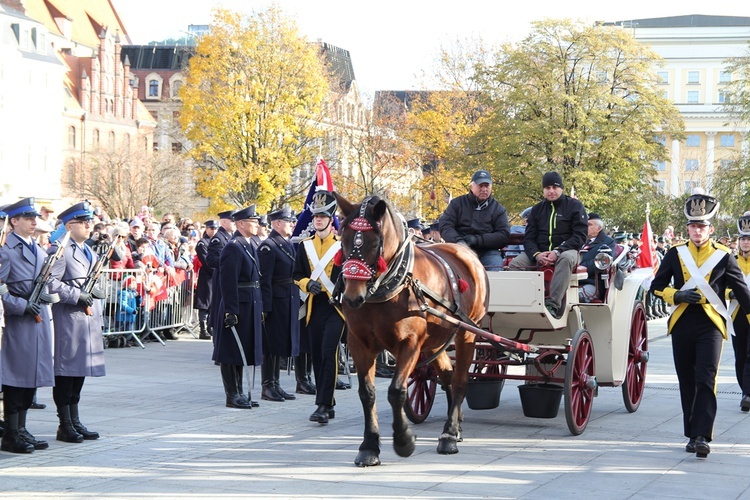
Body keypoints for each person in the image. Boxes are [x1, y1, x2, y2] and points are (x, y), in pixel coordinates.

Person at [651, 191, 750, 458]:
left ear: (711, 228)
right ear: (688, 228)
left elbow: (743, 293)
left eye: (702, 226)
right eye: (693, 226)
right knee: (687, 380)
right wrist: (677, 295)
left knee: (706, 378)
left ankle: (702, 436)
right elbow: (656, 287)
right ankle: (691, 434)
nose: (698, 231)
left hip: (711, 324)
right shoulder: (675, 254)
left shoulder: (724, 255)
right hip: (682, 322)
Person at [47, 201, 106, 444]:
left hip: (87, 319)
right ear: (70, 225)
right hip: (69, 318)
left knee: (79, 372)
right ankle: (65, 423)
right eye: (84, 222)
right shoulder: (60, 250)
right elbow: (50, 282)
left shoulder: (88, 250)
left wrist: (97, 290)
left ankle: (75, 418)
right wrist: (75, 295)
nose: (89, 225)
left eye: (89, 221)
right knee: (65, 373)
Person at [0, 198, 55, 454]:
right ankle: (11, 433)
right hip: (20, 322)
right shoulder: (5, 250)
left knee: (30, 378)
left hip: (39, 321)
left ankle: (22, 428)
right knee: (16, 378)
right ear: (14, 221)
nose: (34, 222)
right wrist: (21, 306)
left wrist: (47, 296)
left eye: (35, 218)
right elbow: (2, 291)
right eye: (28, 218)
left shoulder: (38, 248)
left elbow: (47, 283)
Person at [293, 190, 345, 424]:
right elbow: (296, 274)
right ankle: (329, 402)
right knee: (316, 355)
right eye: (315, 216)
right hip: (314, 306)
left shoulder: (342, 246)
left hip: (336, 307)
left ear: (331, 217)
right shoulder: (305, 246)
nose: (318, 220)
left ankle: (323, 404)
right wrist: (307, 283)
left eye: (323, 216)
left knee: (328, 353)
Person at [509, 171, 587, 318]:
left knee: (565, 259)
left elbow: (580, 236)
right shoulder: (537, 209)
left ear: (561, 188)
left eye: (554, 187)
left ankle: (553, 304)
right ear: (543, 190)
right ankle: (521, 302)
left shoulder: (575, 206)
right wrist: (537, 254)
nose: (551, 191)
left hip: (568, 251)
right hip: (540, 252)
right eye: (547, 188)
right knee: (515, 264)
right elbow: (529, 238)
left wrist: (557, 251)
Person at [215, 206, 263, 409]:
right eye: (253, 221)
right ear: (241, 224)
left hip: (249, 301)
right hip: (237, 304)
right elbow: (228, 282)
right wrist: (231, 310)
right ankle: (232, 394)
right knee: (231, 351)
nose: (257, 224)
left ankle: (240, 392)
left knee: (242, 349)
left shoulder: (249, 243)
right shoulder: (233, 247)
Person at [258, 207, 301, 401]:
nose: (292, 224)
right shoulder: (269, 246)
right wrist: (265, 307)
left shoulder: (286, 244)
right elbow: (264, 279)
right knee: (271, 345)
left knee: (280, 344)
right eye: (288, 221)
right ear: (277, 224)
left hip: (287, 298)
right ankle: (268, 385)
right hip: (275, 300)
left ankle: (275, 383)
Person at [439, 169, 510, 270]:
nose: (484, 189)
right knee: (445, 269)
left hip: (487, 252)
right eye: (480, 186)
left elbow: (503, 235)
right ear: (471, 187)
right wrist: (458, 241)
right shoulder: (457, 204)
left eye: (487, 186)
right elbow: (445, 225)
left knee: (495, 266)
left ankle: (493, 286)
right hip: (460, 249)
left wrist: (478, 240)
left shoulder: (498, 209)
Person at [728, 212, 750, 413]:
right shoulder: (731, 261)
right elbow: (719, 286)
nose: (746, 242)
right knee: (740, 356)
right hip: (736, 314)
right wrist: (730, 292)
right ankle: (745, 391)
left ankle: (747, 394)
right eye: (743, 238)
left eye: (749, 239)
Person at [207, 210, 235, 349]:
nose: (235, 223)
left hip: (227, 277)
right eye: (232, 220)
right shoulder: (219, 238)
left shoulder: (229, 236)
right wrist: (228, 262)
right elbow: (211, 260)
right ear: (224, 222)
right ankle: (218, 348)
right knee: (219, 310)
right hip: (220, 278)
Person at [578, 213, 615, 303]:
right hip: (569, 281)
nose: (585, 227)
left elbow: (600, 262)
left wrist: (578, 267)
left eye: (589, 225)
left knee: (576, 296)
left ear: (599, 228)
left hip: (592, 283)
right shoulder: (577, 240)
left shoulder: (607, 243)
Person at [194, 220, 217, 340]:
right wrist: (217, 271)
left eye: (215, 228)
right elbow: (206, 261)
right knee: (204, 302)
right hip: (207, 276)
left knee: (213, 302)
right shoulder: (202, 243)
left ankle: (210, 326)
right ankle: (203, 329)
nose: (214, 231)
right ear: (206, 229)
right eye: (211, 228)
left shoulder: (216, 241)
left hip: (215, 276)